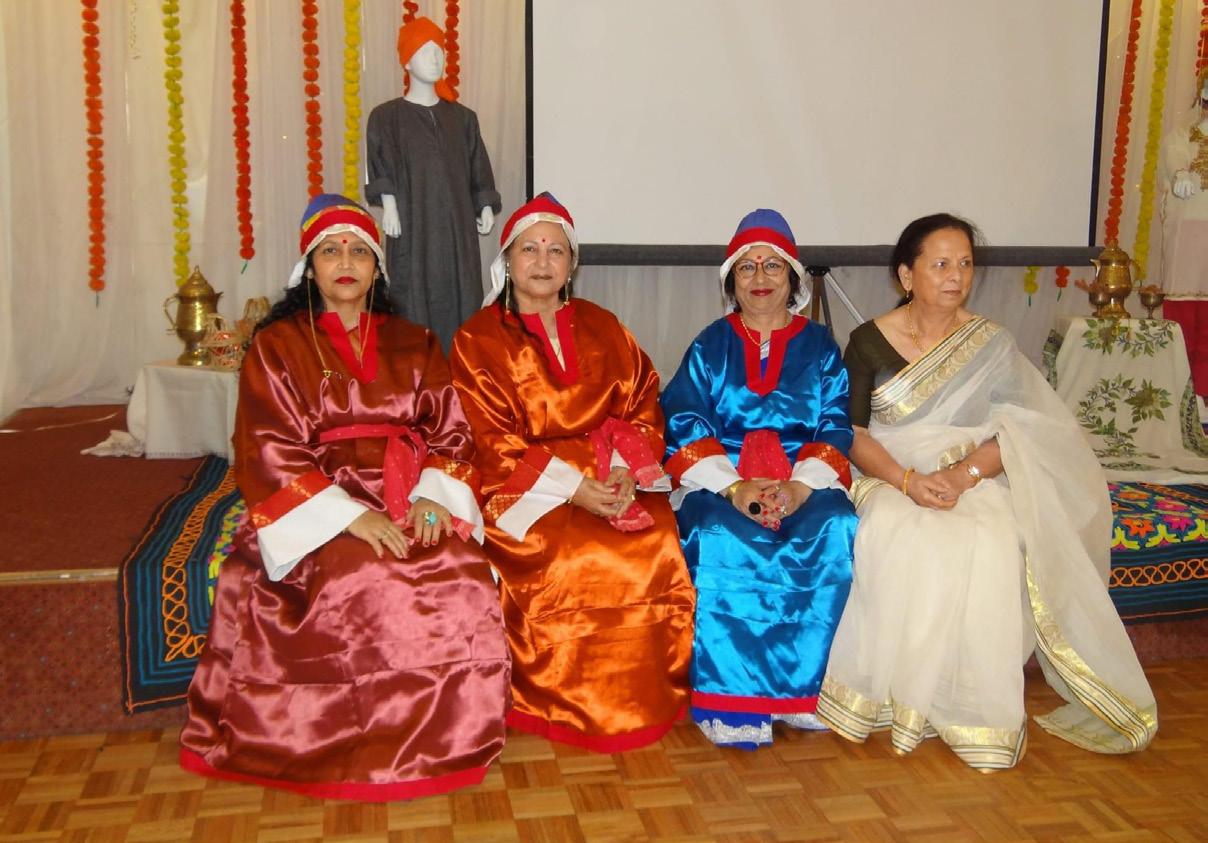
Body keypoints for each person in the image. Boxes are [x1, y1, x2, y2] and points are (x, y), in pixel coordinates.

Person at [179, 194, 510, 800]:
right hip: (320, 501)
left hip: (410, 490)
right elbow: (267, 447)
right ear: (310, 268)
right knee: (363, 575)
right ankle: (361, 744)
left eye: (359, 251)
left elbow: (452, 433)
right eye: (330, 251)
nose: (346, 262)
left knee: (459, 569)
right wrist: (349, 518)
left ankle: (447, 736)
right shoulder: (277, 346)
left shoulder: (415, 341)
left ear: (378, 268)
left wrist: (434, 498)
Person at [817, 213, 1157, 770]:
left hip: (971, 476)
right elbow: (851, 433)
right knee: (899, 532)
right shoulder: (868, 341)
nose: (956, 276)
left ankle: (969, 704)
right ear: (906, 275)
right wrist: (908, 481)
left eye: (965, 264)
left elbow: (1016, 430)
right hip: (889, 476)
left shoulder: (991, 342)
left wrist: (963, 476)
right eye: (940, 264)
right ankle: (900, 694)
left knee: (993, 536)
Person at [449, 193, 695, 752]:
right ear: (507, 261)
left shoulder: (603, 325)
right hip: (527, 488)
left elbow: (641, 402)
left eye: (555, 250)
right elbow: (488, 438)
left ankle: (645, 694)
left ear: (572, 263)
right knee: (573, 555)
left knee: (654, 543)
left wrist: (627, 472)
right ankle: (561, 699)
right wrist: (573, 488)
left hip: (612, 473)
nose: (542, 261)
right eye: (529, 249)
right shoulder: (477, 338)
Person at [659, 209, 857, 749]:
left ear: (792, 276)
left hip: (804, 479)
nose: (761, 277)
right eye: (747, 267)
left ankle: (804, 692)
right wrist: (734, 487)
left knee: (834, 527)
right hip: (722, 481)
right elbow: (684, 419)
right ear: (731, 281)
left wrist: (800, 486)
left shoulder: (820, 346)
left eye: (772, 265)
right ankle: (731, 696)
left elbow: (835, 422)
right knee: (720, 536)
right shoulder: (710, 344)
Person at [365, 16, 500, 350]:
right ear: (407, 62)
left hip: (457, 231)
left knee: (462, 293)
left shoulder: (463, 118)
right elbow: (380, 163)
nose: (436, 58)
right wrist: (389, 205)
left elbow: (477, 165)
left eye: (439, 51)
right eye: (426, 51)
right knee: (412, 296)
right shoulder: (386, 117)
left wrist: (484, 204)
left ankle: (461, 369)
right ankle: (416, 371)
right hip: (412, 226)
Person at [1160, 67, 1208, 400]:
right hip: (1188, 237)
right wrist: (1180, 174)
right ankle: (1185, 397)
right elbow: (1175, 163)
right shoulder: (1181, 137)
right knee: (1185, 317)